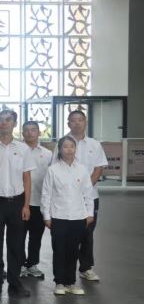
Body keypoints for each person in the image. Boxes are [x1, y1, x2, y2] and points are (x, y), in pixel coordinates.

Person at [0, 109, 35, 298]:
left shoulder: (23, 149)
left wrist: (26, 205)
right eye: (0, 120)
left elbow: (27, 178)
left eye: (8, 120)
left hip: (17, 201)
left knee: (16, 244)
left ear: (14, 124)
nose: (4, 123)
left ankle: (15, 283)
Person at [42, 136, 94, 295]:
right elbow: (46, 194)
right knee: (59, 250)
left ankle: (71, 282)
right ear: (60, 149)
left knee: (73, 251)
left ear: (75, 149)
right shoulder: (53, 170)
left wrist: (89, 213)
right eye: (65, 146)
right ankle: (59, 283)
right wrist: (46, 216)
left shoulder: (82, 169)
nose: (69, 149)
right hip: (59, 216)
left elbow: (88, 193)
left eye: (72, 146)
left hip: (78, 216)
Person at [62, 109, 108, 282]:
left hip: (90, 197)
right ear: (68, 123)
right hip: (66, 198)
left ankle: (86, 268)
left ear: (85, 122)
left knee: (87, 233)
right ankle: (66, 269)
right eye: (73, 120)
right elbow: (56, 168)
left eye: (80, 119)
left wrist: (85, 188)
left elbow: (98, 168)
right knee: (68, 234)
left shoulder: (94, 145)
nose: (77, 123)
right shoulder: (62, 143)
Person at [20, 121, 53, 280]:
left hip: (39, 202)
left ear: (39, 133)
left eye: (33, 130)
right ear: (22, 133)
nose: (30, 133)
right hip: (21, 202)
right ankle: (20, 265)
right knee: (19, 235)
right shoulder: (18, 151)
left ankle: (32, 264)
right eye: (26, 130)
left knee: (36, 236)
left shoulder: (48, 154)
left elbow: (52, 178)